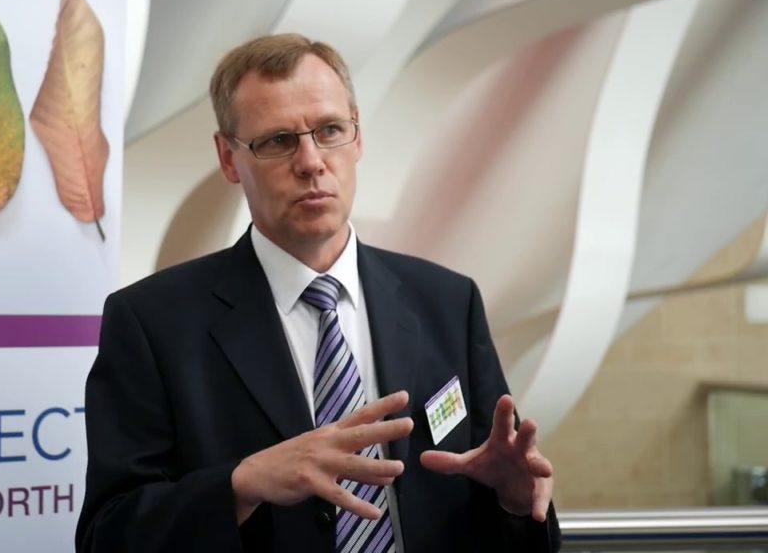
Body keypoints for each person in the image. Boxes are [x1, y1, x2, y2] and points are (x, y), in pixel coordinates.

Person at [76, 33, 561, 552]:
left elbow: (506, 522)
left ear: (357, 137)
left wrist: (515, 503)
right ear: (228, 158)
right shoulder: (152, 323)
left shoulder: (447, 302)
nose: (310, 162)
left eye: (329, 130)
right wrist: (242, 483)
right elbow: (109, 534)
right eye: (278, 140)